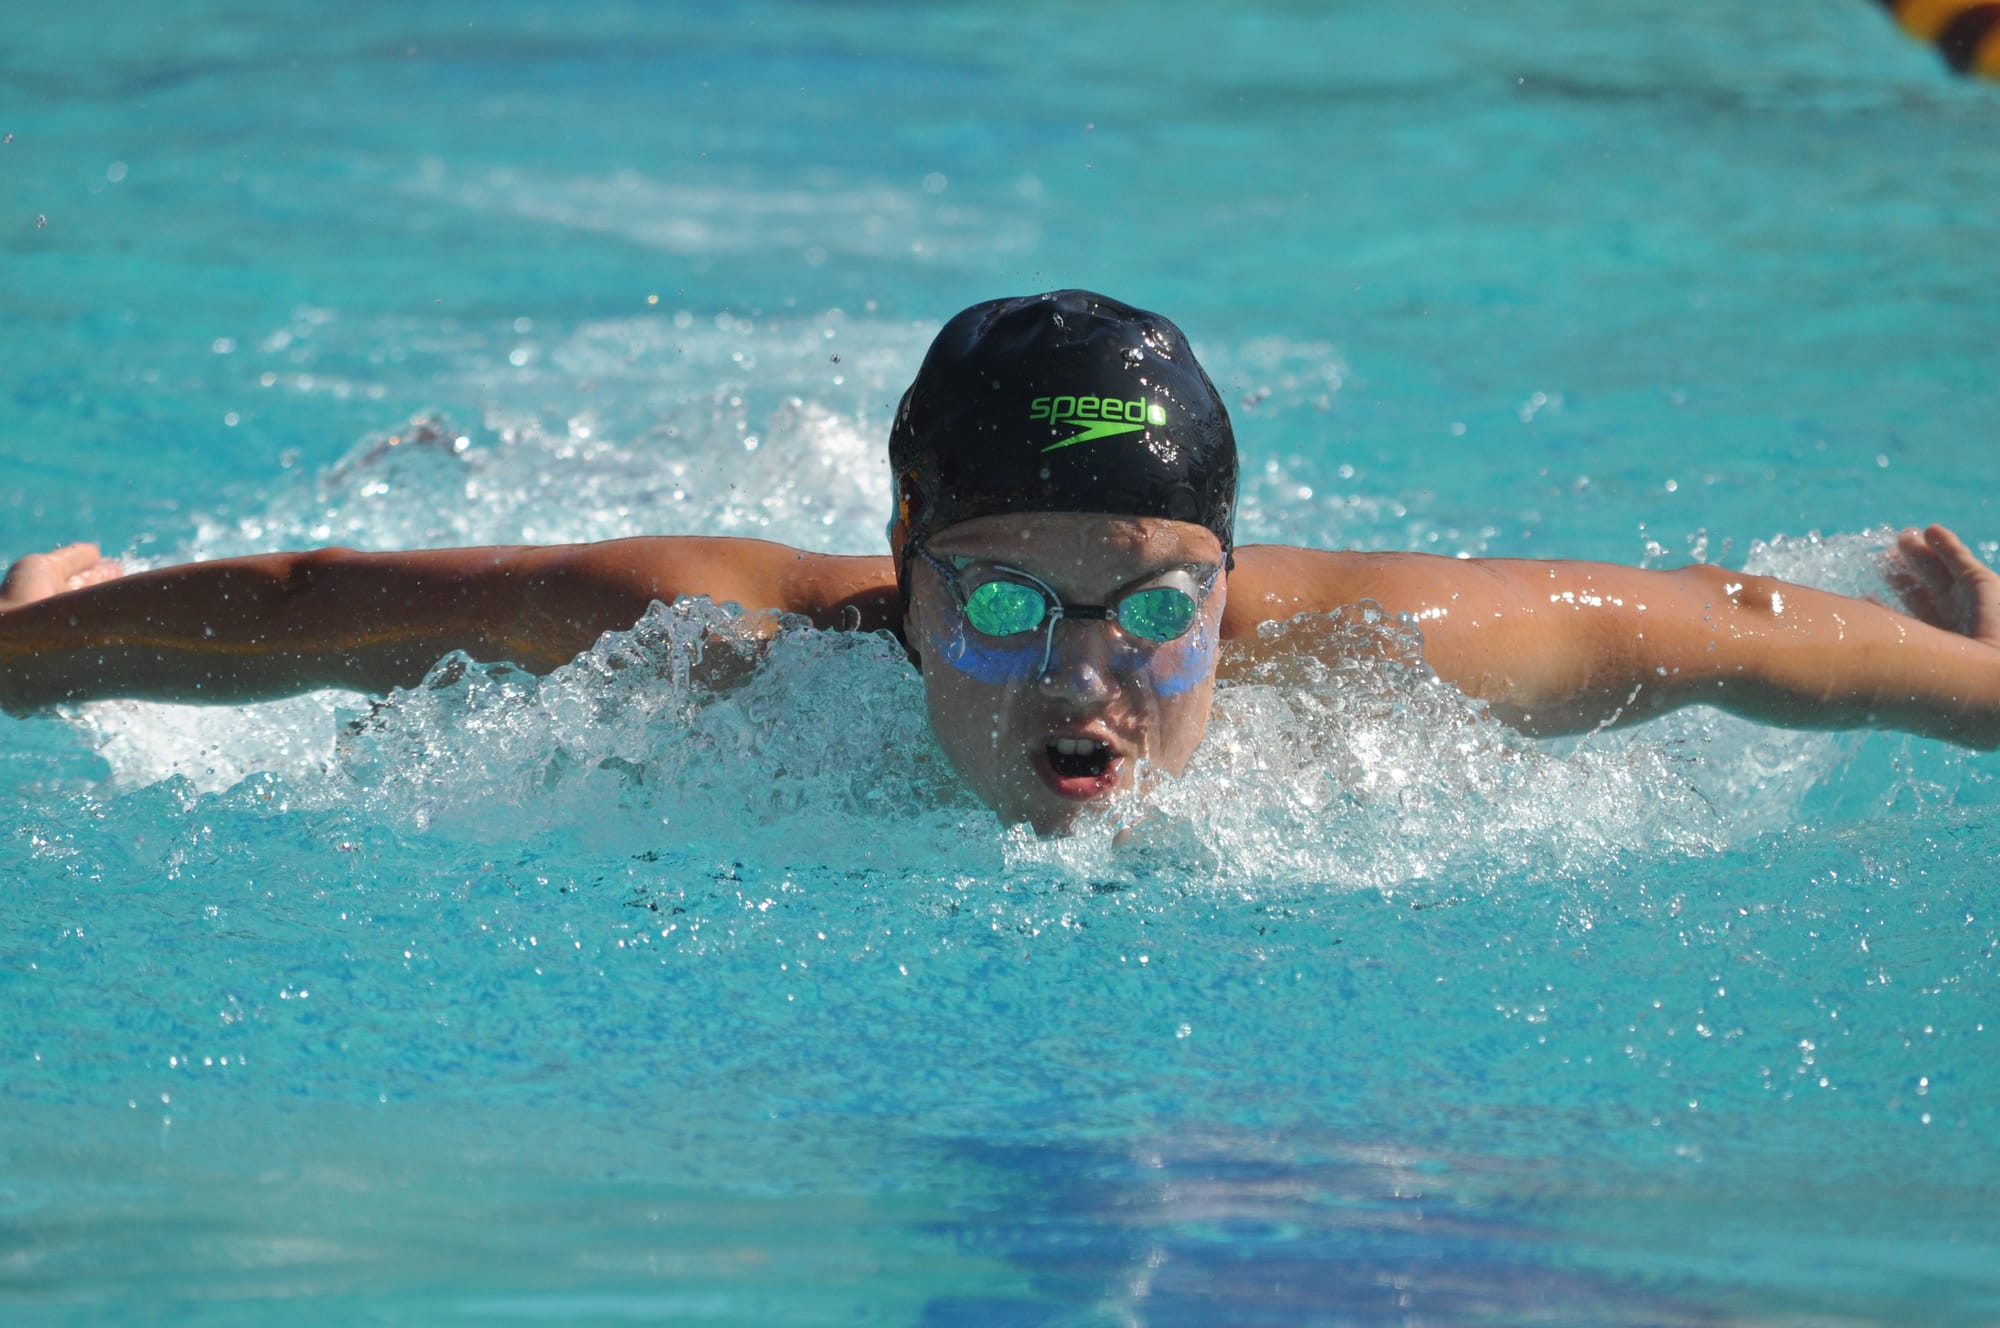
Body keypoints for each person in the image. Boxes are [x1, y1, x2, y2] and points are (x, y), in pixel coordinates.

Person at [3, 290, 1999, 832]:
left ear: (1227, 576)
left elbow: (1736, 636)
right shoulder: (710, 645)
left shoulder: (1379, 659)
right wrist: (49, 649)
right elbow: (306, 617)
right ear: (900, 566)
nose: (1084, 679)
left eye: (1153, 603)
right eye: (999, 601)